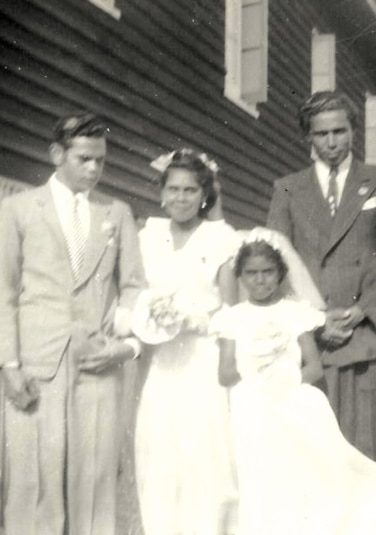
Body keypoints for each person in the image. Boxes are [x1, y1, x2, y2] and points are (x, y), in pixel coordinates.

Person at [0, 112, 146, 535]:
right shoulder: (19, 209)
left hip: (97, 365)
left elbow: (134, 286)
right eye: (84, 158)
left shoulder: (117, 213)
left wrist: (123, 341)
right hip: (38, 367)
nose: (94, 169)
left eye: (101, 161)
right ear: (57, 154)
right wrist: (7, 365)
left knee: (92, 480)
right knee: (34, 480)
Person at [211, 228, 376, 535]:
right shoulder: (232, 318)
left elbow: (314, 367)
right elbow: (225, 373)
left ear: (280, 274)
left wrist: (285, 379)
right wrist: (258, 368)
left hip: (292, 402)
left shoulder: (295, 313)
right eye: (251, 273)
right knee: (260, 478)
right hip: (252, 407)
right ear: (240, 276)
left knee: (303, 475)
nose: (259, 280)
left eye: (267, 272)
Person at [266, 91, 376, 471]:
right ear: (307, 138)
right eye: (321, 134)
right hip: (313, 340)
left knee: (368, 449)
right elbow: (272, 263)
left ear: (353, 132)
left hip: (365, 336)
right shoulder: (287, 188)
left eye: (339, 131)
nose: (331, 142)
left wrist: (362, 311)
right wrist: (313, 320)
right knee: (315, 452)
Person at [130, 148, 240, 535]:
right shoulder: (148, 235)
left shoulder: (220, 236)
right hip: (161, 361)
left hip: (202, 359)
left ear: (204, 194)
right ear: (161, 192)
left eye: (190, 190)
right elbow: (135, 293)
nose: (180, 198)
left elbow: (230, 308)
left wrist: (195, 320)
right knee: (158, 449)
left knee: (203, 454)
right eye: (173, 189)